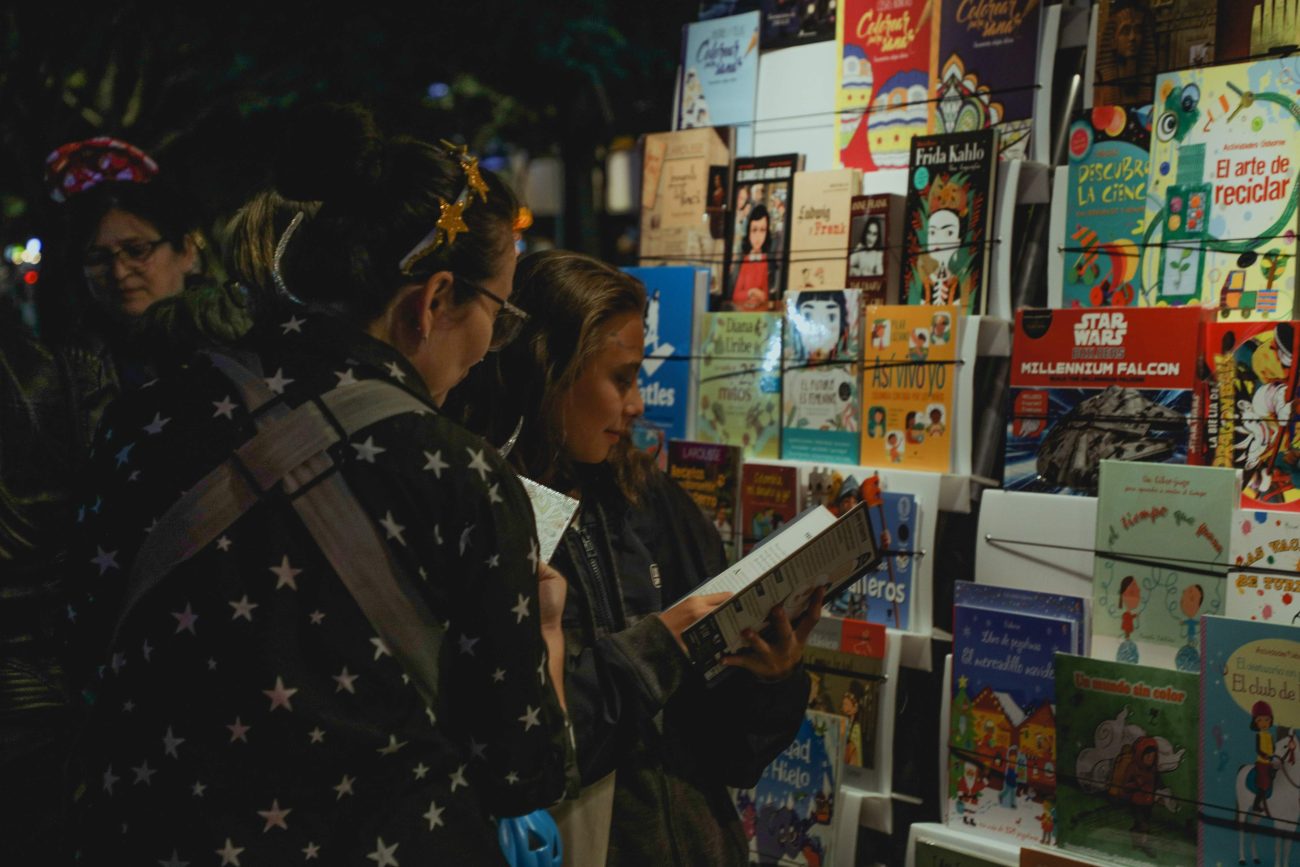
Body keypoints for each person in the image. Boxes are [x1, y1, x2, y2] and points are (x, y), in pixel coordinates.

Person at [62, 105, 573, 864]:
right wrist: (550, 629)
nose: (490, 346)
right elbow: (520, 769)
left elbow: (83, 655)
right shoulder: (460, 473)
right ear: (432, 301)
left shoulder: (140, 420)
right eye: (498, 313)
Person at [453, 250, 815, 865]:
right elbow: (530, 748)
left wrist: (773, 680)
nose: (638, 403)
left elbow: (729, 755)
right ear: (552, 370)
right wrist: (658, 648)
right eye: (620, 378)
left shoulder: (650, 502)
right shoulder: (488, 513)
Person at [731, 203, 774, 311]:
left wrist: (758, 295)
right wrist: (752, 292)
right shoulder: (745, 260)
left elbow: (767, 296)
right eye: (754, 230)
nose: (758, 236)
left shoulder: (767, 262)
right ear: (748, 232)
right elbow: (736, 295)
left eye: (762, 230)